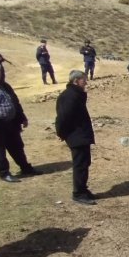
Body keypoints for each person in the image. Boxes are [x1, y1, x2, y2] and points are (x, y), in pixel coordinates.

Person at [55, 70, 95, 205]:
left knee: (85, 163)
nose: (86, 82)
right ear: (76, 81)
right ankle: (78, 193)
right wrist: (62, 133)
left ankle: (83, 189)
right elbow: (63, 117)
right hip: (76, 135)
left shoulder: (76, 94)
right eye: (84, 80)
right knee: (80, 165)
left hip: (81, 134)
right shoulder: (69, 96)